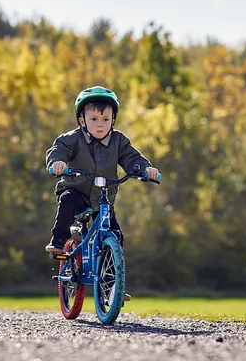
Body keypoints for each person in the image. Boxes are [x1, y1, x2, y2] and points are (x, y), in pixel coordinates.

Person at [44, 85, 160, 302]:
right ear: (82, 120)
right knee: (67, 202)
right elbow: (58, 150)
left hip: (103, 198)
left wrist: (146, 169)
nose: (100, 124)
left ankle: (111, 287)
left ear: (113, 121)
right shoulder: (73, 138)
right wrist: (57, 163)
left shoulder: (118, 141)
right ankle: (59, 241)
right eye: (95, 119)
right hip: (76, 189)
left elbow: (132, 158)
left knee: (115, 235)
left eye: (106, 119)